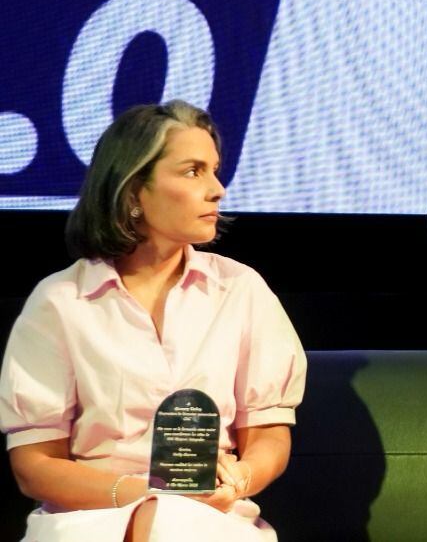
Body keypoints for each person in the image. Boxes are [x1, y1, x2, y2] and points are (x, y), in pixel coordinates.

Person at [0, 101, 306, 542]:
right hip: (87, 516)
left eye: (215, 171)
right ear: (132, 192)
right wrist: (143, 496)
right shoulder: (60, 302)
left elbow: (268, 437)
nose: (218, 189)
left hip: (208, 516)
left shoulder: (242, 290)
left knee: (178, 527)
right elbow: (34, 466)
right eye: (193, 171)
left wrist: (239, 478)